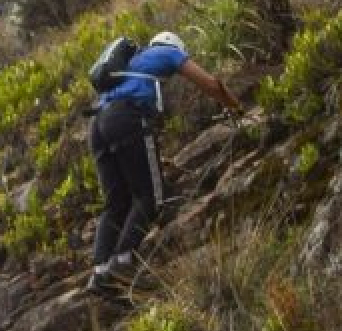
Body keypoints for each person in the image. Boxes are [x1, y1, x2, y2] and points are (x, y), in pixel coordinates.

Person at [87, 31, 246, 296]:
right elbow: (211, 85)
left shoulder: (129, 65)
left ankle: (99, 274)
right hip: (127, 117)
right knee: (151, 196)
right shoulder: (168, 53)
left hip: (98, 125)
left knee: (117, 202)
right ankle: (123, 263)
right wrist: (236, 107)